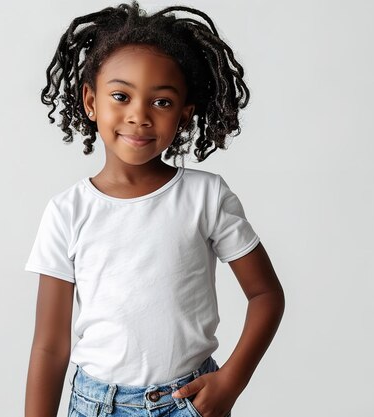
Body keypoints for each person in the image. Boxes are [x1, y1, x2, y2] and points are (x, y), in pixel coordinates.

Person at [23, 2, 285, 417]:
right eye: (121, 96)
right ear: (91, 101)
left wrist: (230, 382)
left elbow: (266, 294)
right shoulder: (66, 212)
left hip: (188, 401)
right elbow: (50, 345)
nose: (139, 116)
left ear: (184, 114)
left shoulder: (207, 197)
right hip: (94, 405)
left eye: (161, 102)